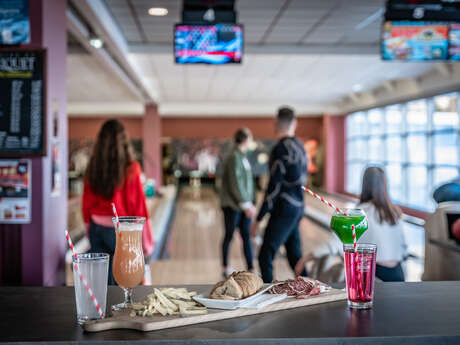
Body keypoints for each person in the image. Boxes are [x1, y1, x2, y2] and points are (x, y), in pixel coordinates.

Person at [82, 119, 154, 285]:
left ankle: (105, 310)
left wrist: (89, 232)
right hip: (122, 232)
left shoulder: (93, 168)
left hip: (97, 229)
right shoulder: (131, 168)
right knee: (124, 282)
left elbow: (86, 205)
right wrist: (146, 242)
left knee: (102, 283)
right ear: (124, 142)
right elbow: (138, 207)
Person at [251, 107, 308, 283]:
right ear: (295, 124)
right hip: (298, 207)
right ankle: (310, 290)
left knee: (265, 255)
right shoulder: (300, 146)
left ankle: (269, 295)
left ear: (276, 124)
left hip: (284, 208)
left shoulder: (280, 148)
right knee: (294, 255)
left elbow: (273, 187)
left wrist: (259, 218)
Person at [358, 166, 407, 282]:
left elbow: (340, 244)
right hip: (398, 273)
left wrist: (308, 257)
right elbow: (404, 247)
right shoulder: (395, 211)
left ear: (365, 184)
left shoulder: (361, 211)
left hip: (375, 274)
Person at [220, 128, 257, 277]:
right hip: (232, 205)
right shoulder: (234, 156)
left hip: (243, 206)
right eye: (251, 138)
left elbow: (246, 183)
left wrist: (250, 203)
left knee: (246, 236)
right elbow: (236, 183)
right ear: (246, 139)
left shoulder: (242, 157)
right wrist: (246, 204)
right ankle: (225, 266)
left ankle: (251, 267)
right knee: (229, 235)